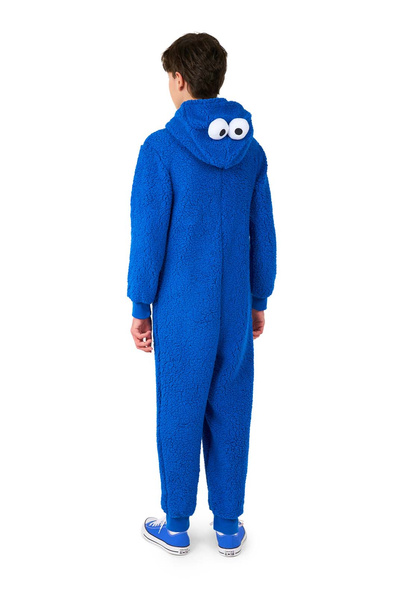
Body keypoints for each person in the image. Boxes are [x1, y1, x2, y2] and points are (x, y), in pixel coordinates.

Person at [127, 32, 277, 557]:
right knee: (232, 408)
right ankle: (229, 526)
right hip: (234, 307)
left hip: (180, 308)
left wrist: (140, 304)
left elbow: (148, 236)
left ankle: (175, 525)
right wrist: (259, 298)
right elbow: (263, 232)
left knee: (179, 408)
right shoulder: (251, 152)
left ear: (178, 79)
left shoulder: (160, 149)